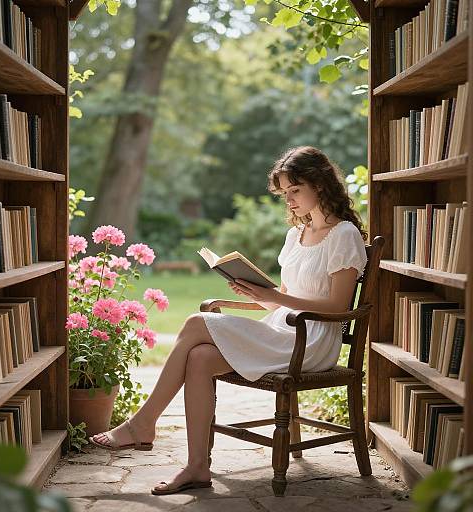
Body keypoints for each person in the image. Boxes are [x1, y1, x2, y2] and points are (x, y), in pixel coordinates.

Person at [89, 146, 369, 496]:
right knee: (199, 357)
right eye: (285, 194)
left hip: (309, 342)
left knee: (196, 322)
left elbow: (337, 306)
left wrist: (275, 298)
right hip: (281, 329)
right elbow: (282, 294)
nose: (290, 201)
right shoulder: (295, 235)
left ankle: (143, 424)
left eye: (295, 191)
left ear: (321, 183)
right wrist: (257, 293)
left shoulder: (344, 234)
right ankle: (197, 467)